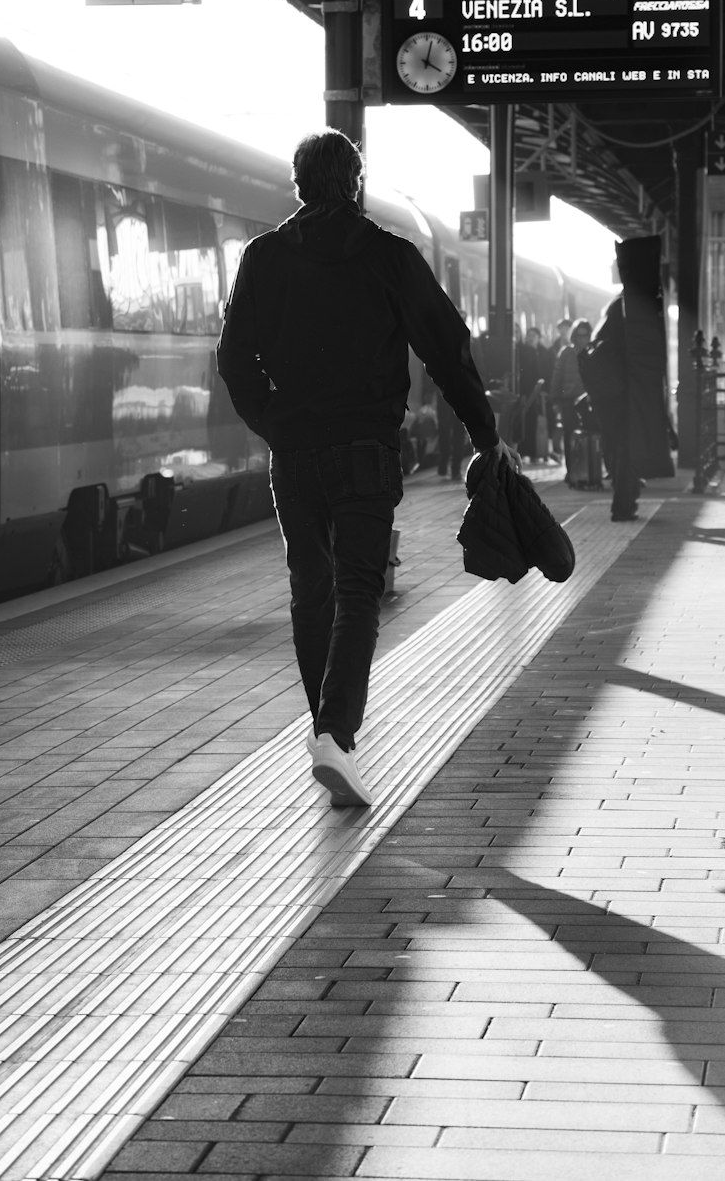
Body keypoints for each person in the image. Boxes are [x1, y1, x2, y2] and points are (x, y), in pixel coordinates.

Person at [216, 129, 511, 808]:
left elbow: (234, 358)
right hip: (365, 452)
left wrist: (274, 423)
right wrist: (484, 432)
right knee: (358, 591)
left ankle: (327, 731)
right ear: (355, 183)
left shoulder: (262, 258)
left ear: (297, 185)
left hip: (294, 455)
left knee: (309, 588)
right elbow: (446, 349)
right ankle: (334, 732)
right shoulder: (389, 256)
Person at [579, 236, 676, 521]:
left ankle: (625, 499)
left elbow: (597, 345)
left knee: (620, 447)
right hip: (625, 390)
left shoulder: (619, 305)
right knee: (626, 447)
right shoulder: (634, 305)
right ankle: (624, 503)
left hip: (613, 392)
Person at [551, 317, 593, 483]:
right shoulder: (566, 353)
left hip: (588, 401)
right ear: (574, 336)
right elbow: (557, 377)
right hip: (568, 400)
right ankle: (571, 471)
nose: (583, 339)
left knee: (589, 435)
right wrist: (555, 400)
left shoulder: (593, 352)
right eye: (580, 335)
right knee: (569, 436)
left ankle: (586, 469)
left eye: (586, 335)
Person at [517, 324, 550, 460]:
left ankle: (534, 452)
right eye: (528, 336)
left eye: (533, 336)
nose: (530, 338)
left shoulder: (544, 352)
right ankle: (524, 451)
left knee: (532, 422)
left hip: (535, 392)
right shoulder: (521, 351)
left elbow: (545, 372)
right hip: (524, 391)